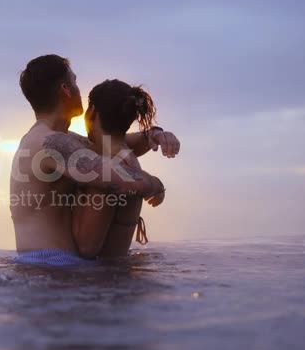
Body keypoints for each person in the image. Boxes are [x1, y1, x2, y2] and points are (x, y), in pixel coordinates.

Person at [10, 55, 179, 266]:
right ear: (65, 89)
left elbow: (109, 143)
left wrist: (155, 135)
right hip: (50, 267)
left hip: (49, 265)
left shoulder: (55, 140)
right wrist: (156, 185)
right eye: (75, 81)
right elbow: (118, 178)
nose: (79, 89)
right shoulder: (49, 144)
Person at [73, 79, 162, 260]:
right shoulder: (126, 156)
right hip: (119, 277)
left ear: (91, 112)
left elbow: (87, 247)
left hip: (99, 282)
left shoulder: (109, 166)